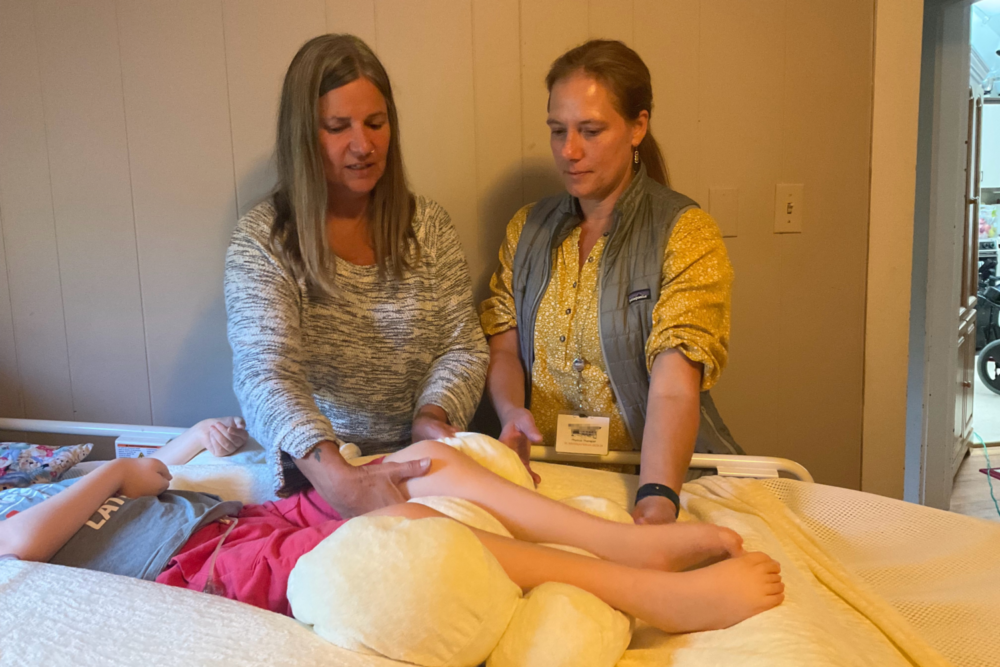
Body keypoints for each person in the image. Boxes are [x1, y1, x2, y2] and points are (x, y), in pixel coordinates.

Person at [0, 432, 784, 634]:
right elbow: (21, 545)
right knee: (412, 528)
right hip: (200, 563)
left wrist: (168, 453)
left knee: (425, 463)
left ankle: (628, 542)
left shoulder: (39, 471)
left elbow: (159, 474)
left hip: (230, 517)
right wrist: (109, 473)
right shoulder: (22, 509)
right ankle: (649, 595)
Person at [225, 35, 488, 518]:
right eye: (337, 127)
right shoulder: (264, 240)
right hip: (321, 471)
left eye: (375, 123)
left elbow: (462, 345)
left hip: (416, 458)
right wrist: (338, 477)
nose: (363, 145)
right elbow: (265, 373)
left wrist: (433, 415)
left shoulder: (427, 227)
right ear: (303, 134)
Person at [480, 40, 740, 526]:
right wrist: (512, 411)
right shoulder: (527, 229)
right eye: (558, 131)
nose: (569, 151)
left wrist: (658, 495)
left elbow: (673, 385)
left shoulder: (683, 233)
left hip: (643, 473)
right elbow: (504, 350)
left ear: (638, 126)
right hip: (548, 470)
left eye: (591, 131)